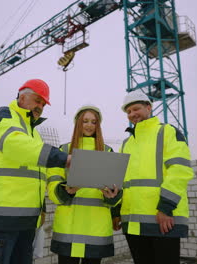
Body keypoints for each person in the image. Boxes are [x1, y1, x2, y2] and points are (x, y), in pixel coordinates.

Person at [0, 79, 71, 264]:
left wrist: (42, 208)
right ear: (22, 96)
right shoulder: (5, 115)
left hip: (27, 221)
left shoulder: (32, 131)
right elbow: (15, 145)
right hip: (2, 219)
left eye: (43, 104)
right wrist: (62, 158)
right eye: (37, 100)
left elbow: (36, 177)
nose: (40, 106)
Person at [112, 90, 194, 264]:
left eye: (136, 109)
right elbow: (120, 181)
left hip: (162, 219)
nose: (132, 114)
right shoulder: (127, 143)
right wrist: (116, 212)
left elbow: (180, 170)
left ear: (148, 107)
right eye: (129, 112)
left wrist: (165, 207)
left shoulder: (167, 132)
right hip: (133, 222)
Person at [47, 105, 122, 264]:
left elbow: (117, 194)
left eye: (94, 122)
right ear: (78, 123)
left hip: (96, 227)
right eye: (85, 121)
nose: (89, 125)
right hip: (68, 227)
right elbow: (53, 188)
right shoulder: (63, 150)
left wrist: (112, 196)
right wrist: (66, 191)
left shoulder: (108, 152)